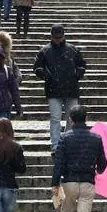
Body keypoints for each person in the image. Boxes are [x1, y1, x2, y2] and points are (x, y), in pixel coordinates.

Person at [52, 105, 107, 212]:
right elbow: (102, 166)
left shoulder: (65, 137)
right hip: (88, 182)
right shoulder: (96, 139)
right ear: (86, 118)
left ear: (71, 119)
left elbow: (59, 164)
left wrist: (55, 183)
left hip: (69, 182)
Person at [33, 24, 86, 155]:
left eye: (60, 37)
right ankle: (56, 144)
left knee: (70, 118)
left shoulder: (72, 50)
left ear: (63, 36)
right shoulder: (45, 51)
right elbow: (37, 67)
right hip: (54, 89)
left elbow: (82, 65)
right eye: (56, 37)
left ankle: (67, 142)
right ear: (51, 36)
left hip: (70, 88)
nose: (58, 39)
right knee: (55, 117)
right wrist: (46, 76)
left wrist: (77, 75)